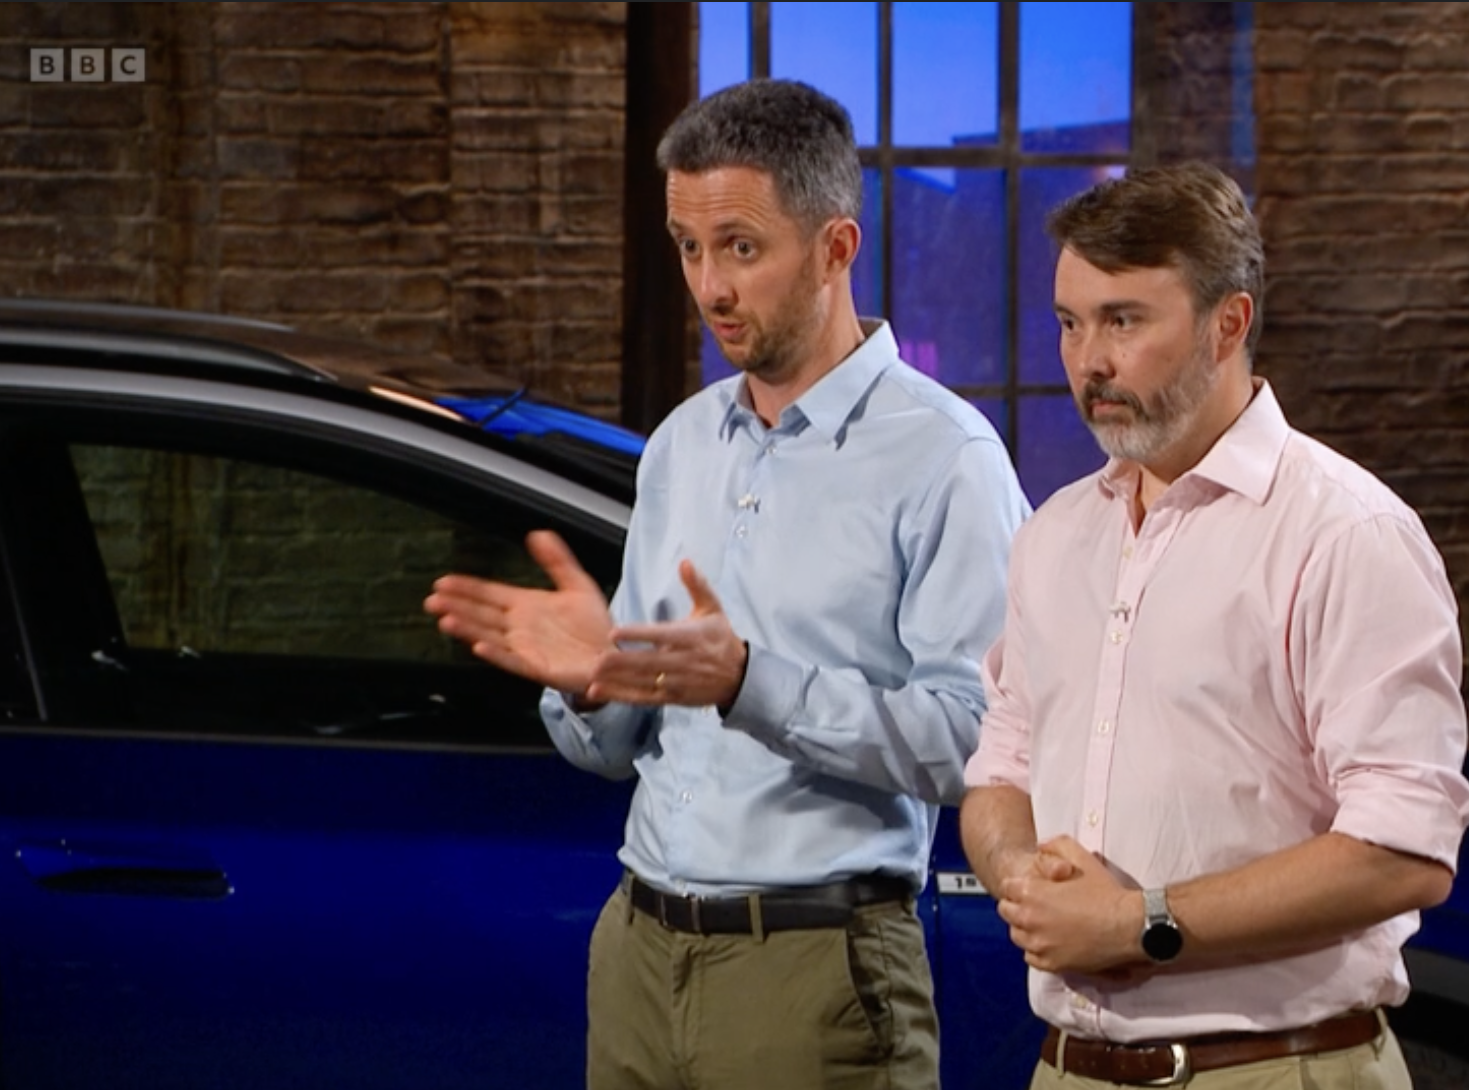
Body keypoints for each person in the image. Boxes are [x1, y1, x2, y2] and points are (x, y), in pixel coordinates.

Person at [426, 78, 1030, 1090]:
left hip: (815, 969)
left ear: (836, 249)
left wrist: (751, 681)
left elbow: (981, 747)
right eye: (688, 246)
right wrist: (591, 681)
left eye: (741, 249)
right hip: (637, 947)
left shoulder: (944, 459)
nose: (708, 287)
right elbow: (614, 750)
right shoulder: (682, 444)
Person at [960, 161, 1469, 1089]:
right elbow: (1000, 771)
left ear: (1226, 324)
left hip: (1274, 1067)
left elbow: (1404, 853)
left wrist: (1142, 922)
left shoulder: (1344, 533)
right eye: (1071, 324)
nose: (1089, 362)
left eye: (1124, 320)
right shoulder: (1055, 535)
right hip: (1068, 1066)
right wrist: (1027, 885)